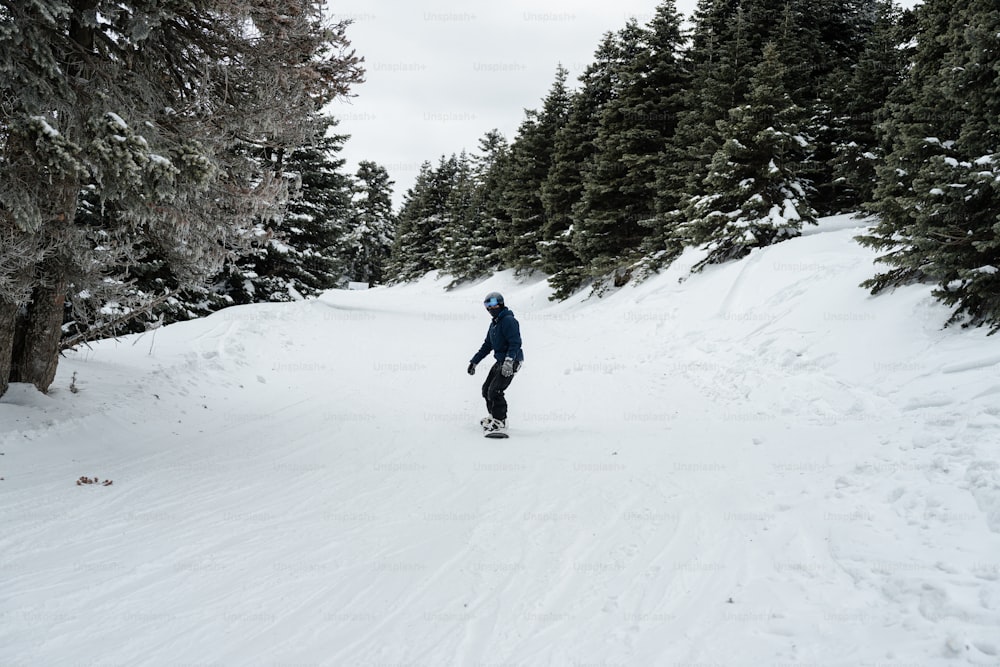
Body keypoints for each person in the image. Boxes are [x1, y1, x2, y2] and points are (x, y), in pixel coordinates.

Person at [467, 292, 524, 434]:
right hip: (500, 360)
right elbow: (487, 345)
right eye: (487, 305)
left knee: (496, 390)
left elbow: (515, 343)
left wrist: (509, 361)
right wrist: (474, 362)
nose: (490, 308)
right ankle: (493, 416)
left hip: (513, 360)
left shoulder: (509, 320)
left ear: (501, 303)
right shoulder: (494, 324)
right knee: (486, 389)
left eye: (493, 304)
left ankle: (501, 421)